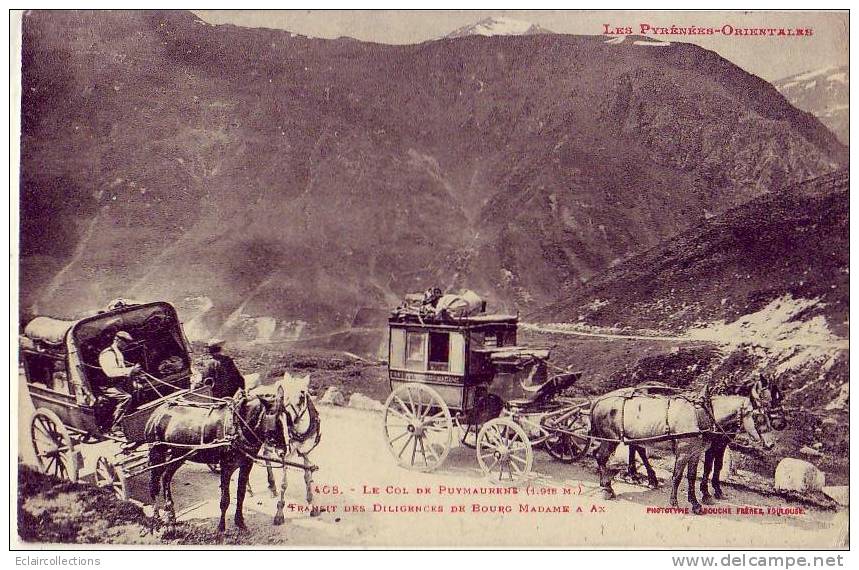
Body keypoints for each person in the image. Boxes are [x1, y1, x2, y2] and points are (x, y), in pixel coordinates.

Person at [98, 331, 139, 429]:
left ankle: (132, 418)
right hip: (107, 387)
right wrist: (131, 370)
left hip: (117, 384)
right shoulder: (107, 354)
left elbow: (121, 367)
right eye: (125, 342)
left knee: (139, 388)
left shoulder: (118, 352)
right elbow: (111, 372)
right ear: (117, 340)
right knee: (126, 397)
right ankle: (116, 425)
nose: (127, 345)